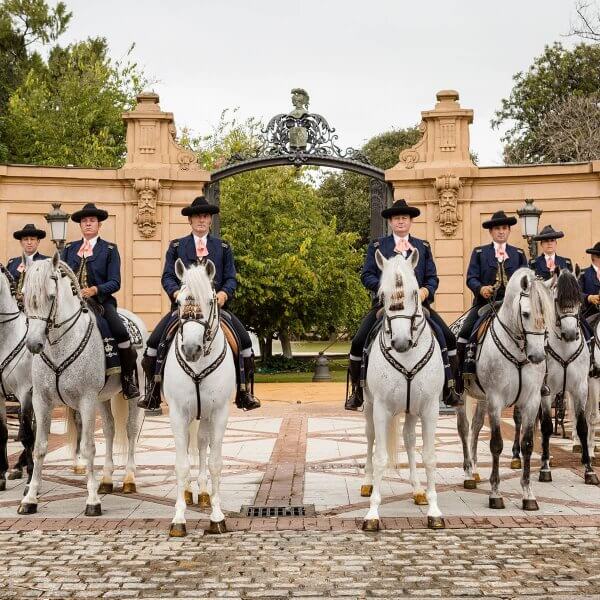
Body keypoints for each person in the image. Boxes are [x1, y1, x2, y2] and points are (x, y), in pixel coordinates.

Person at [138, 196, 260, 412]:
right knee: (152, 346)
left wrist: (224, 294)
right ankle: (153, 392)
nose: (201, 220)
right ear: (190, 220)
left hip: (215, 310)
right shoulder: (176, 246)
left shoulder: (222, 247)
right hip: (184, 309)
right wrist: (175, 293)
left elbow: (231, 277)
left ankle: (244, 392)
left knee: (245, 345)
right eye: (197, 216)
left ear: (210, 220)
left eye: (205, 216)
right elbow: (167, 276)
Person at [344, 199, 461, 411]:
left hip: (417, 307)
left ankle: (450, 388)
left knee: (449, 338)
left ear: (410, 222)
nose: (400, 222)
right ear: (390, 222)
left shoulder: (422, 247)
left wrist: (426, 291)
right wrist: (385, 288)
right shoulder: (378, 246)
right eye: (396, 218)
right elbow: (366, 275)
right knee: (358, 341)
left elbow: (432, 277)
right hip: (385, 307)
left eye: (404, 218)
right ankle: (358, 391)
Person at [61, 203, 139, 399]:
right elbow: (60, 275)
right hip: (71, 302)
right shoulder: (69, 249)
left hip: (101, 303)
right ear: (80, 225)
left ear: (99, 225)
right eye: (84, 221)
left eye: (92, 221)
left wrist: (96, 289)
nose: (88, 224)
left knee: (120, 331)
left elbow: (115, 282)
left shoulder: (110, 249)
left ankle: (127, 379)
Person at [457, 210, 528, 387]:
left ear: (509, 231)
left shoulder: (518, 254)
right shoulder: (480, 253)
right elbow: (471, 277)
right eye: (497, 228)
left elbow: (527, 279)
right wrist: (480, 288)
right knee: (465, 332)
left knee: (534, 331)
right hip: (485, 304)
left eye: (504, 228)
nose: (501, 231)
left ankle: (537, 374)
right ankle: (463, 372)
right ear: (491, 232)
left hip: (513, 306)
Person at [6, 224, 49, 294]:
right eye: (26, 239)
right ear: (21, 242)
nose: (29, 243)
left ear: (38, 241)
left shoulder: (46, 261)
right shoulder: (13, 263)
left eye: (32, 239)